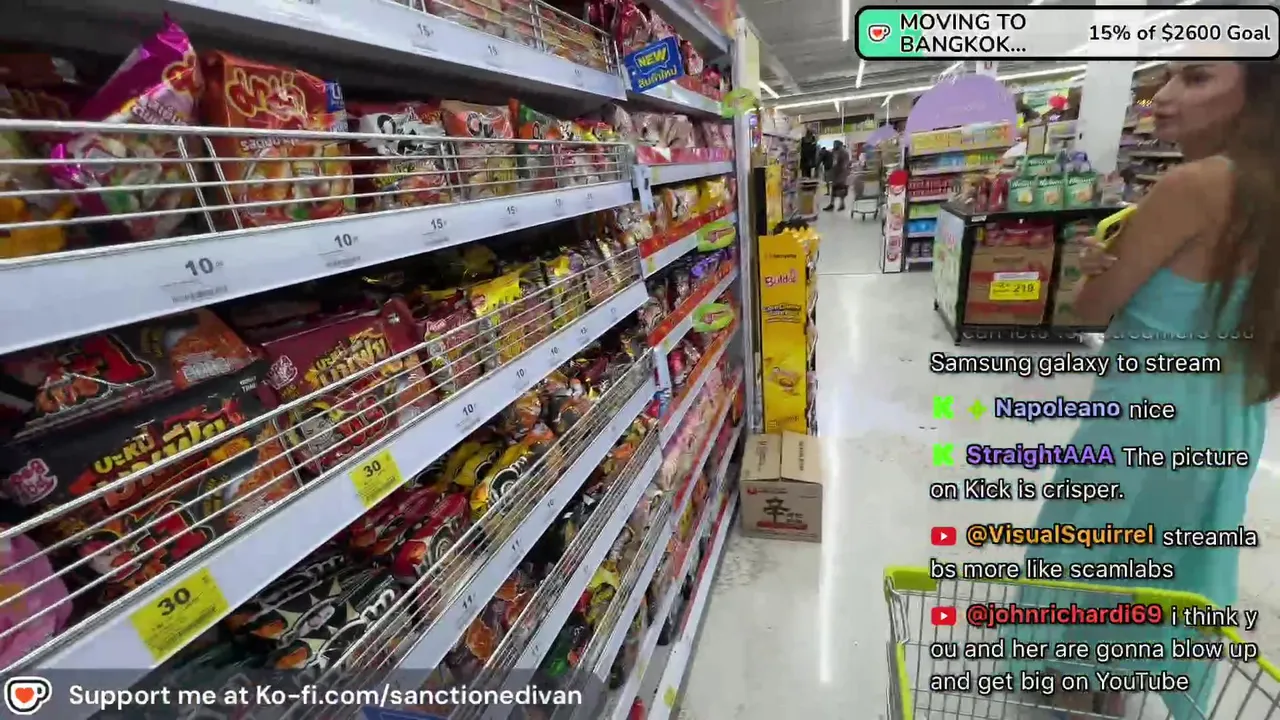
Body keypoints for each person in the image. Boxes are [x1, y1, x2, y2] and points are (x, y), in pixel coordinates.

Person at [1008, 60, 1277, 720]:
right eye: (1168, 78)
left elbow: (1090, 308)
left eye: (1197, 78)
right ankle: (1117, 689)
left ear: (1258, 95)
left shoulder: (1194, 184)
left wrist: (1089, 271)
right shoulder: (1266, 190)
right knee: (1160, 563)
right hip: (1229, 418)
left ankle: (1076, 700)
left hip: (1146, 415)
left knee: (1090, 564)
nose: (1164, 96)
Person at [822, 140, 851, 211]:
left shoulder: (842, 152)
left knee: (839, 189)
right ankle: (838, 204)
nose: (834, 146)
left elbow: (840, 163)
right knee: (838, 189)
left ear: (839, 145)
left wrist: (837, 170)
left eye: (835, 144)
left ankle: (836, 204)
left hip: (840, 174)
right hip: (839, 174)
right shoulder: (839, 152)